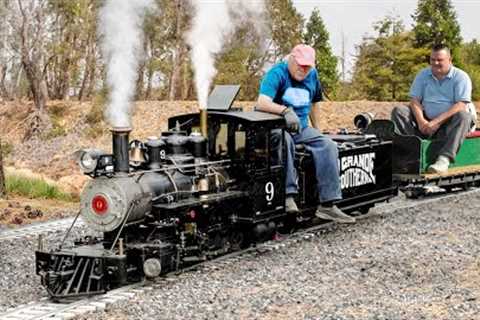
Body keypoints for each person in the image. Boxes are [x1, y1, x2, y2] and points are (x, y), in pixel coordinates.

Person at [256, 44, 355, 224]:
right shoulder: (276, 73)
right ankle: (288, 196)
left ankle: (327, 204)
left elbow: (315, 102)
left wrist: (318, 130)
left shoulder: (312, 75)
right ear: (292, 59)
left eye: (307, 66)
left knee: (328, 146)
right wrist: (285, 111)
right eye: (300, 65)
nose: (303, 70)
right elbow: (262, 102)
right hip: (276, 129)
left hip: (301, 128)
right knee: (285, 141)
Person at [391, 44, 475, 174]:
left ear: (449, 60)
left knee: (464, 116)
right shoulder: (423, 75)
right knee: (399, 111)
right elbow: (415, 100)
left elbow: (461, 105)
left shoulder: (461, 77)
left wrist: (436, 122)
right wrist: (421, 121)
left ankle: (444, 159)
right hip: (426, 122)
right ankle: (412, 152)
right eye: (432, 59)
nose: (435, 63)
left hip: (449, 124)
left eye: (440, 60)